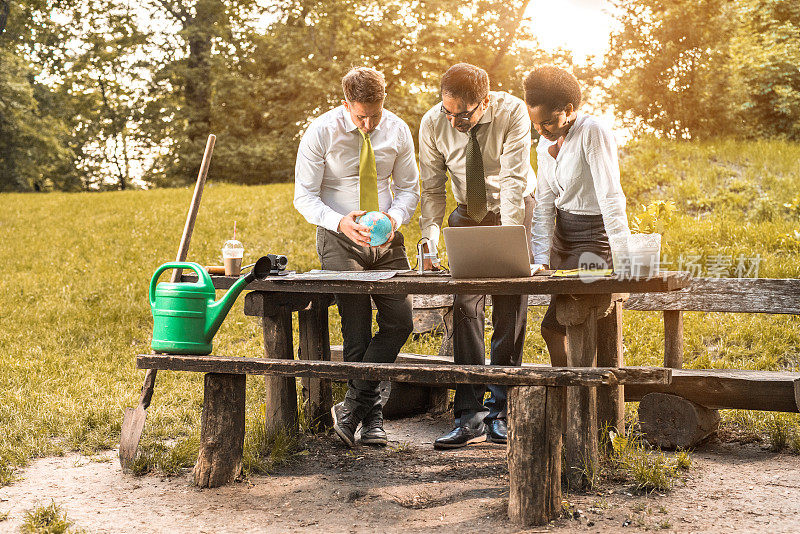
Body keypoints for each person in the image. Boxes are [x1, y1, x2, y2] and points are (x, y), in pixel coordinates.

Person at [293, 67, 420, 447]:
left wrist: (393, 218)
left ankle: (351, 407)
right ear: (345, 103)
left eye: (374, 115)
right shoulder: (321, 132)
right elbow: (304, 196)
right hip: (338, 238)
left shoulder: (397, 130)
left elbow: (409, 190)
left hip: (385, 238)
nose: (367, 123)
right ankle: (372, 417)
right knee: (356, 324)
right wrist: (339, 222)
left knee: (400, 321)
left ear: (384, 102)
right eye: (360, 115)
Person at [419, 63, 536, 449]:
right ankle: (468, 416)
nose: (453, 121)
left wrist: (511, 236)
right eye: (447, 112)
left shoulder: (513, 112)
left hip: (512, 210)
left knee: (509, 306)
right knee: (465, 306)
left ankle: (501, 412)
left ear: (484, 102)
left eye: (462, 115)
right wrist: (430, 240)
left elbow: (516, 180)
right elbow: (433, 189)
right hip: (467, 211)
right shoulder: (434, 123)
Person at [524, 65, 631, 366]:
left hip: (594, 242)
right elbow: (544, 203)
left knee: (557, 325)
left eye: (546, 122)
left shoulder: (593, 132)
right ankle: (568, 387)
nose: (541, 132)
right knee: (553, 328)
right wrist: (540, 258)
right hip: (563, 240)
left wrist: (624, 259)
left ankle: (576, 389)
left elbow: (611, 197)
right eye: (535, 124)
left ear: (569, 109)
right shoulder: (546, 142)